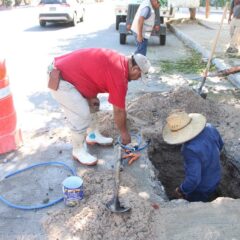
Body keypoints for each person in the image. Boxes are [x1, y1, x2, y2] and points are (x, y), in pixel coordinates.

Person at [48, 48, 152, 166]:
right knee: (81, 114)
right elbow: (118, 110)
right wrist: (124, 134)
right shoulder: (119, 76)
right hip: (60, 78)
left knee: (94, 104)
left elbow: (93, 73)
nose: (138, 79)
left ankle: (92, 136)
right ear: (135, 68)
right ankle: (78, 150)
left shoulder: (120, 61)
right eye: (139, 75)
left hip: (68, 74)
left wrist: (91, 95)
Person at [162, 110, 224, 202]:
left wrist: (181, 189)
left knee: (197, 204)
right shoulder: (210, 128)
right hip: (215, 176)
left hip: (201, 188)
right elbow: (220, 145)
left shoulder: (189, 150)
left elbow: (194, 179)